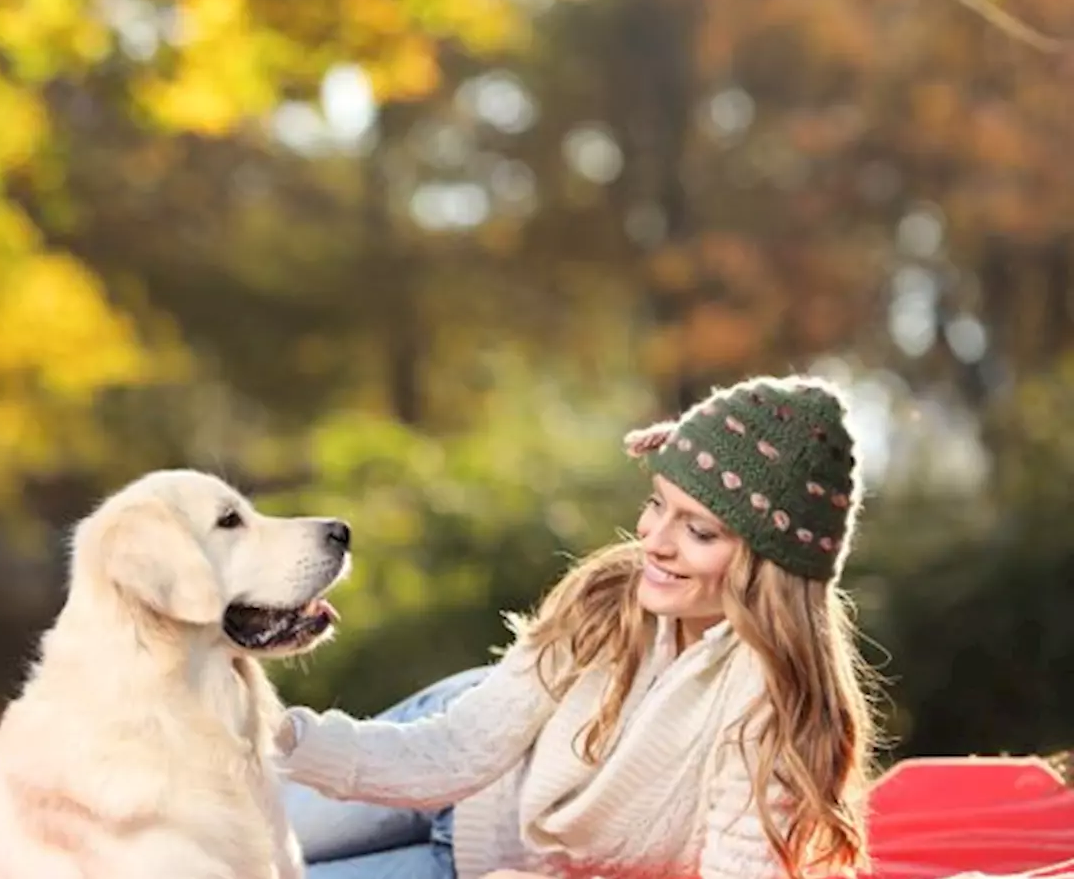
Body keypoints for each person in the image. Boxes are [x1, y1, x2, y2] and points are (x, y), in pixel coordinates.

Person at [274, 375, 884, 879]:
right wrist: (279, 737)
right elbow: (456, 751)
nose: (653, 540)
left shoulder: (776, 716)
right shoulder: (607, 599)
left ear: (771, 569)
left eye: (697, 531)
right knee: (198, 850)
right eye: (656, 504)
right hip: (455, 747)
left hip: (480, 865)